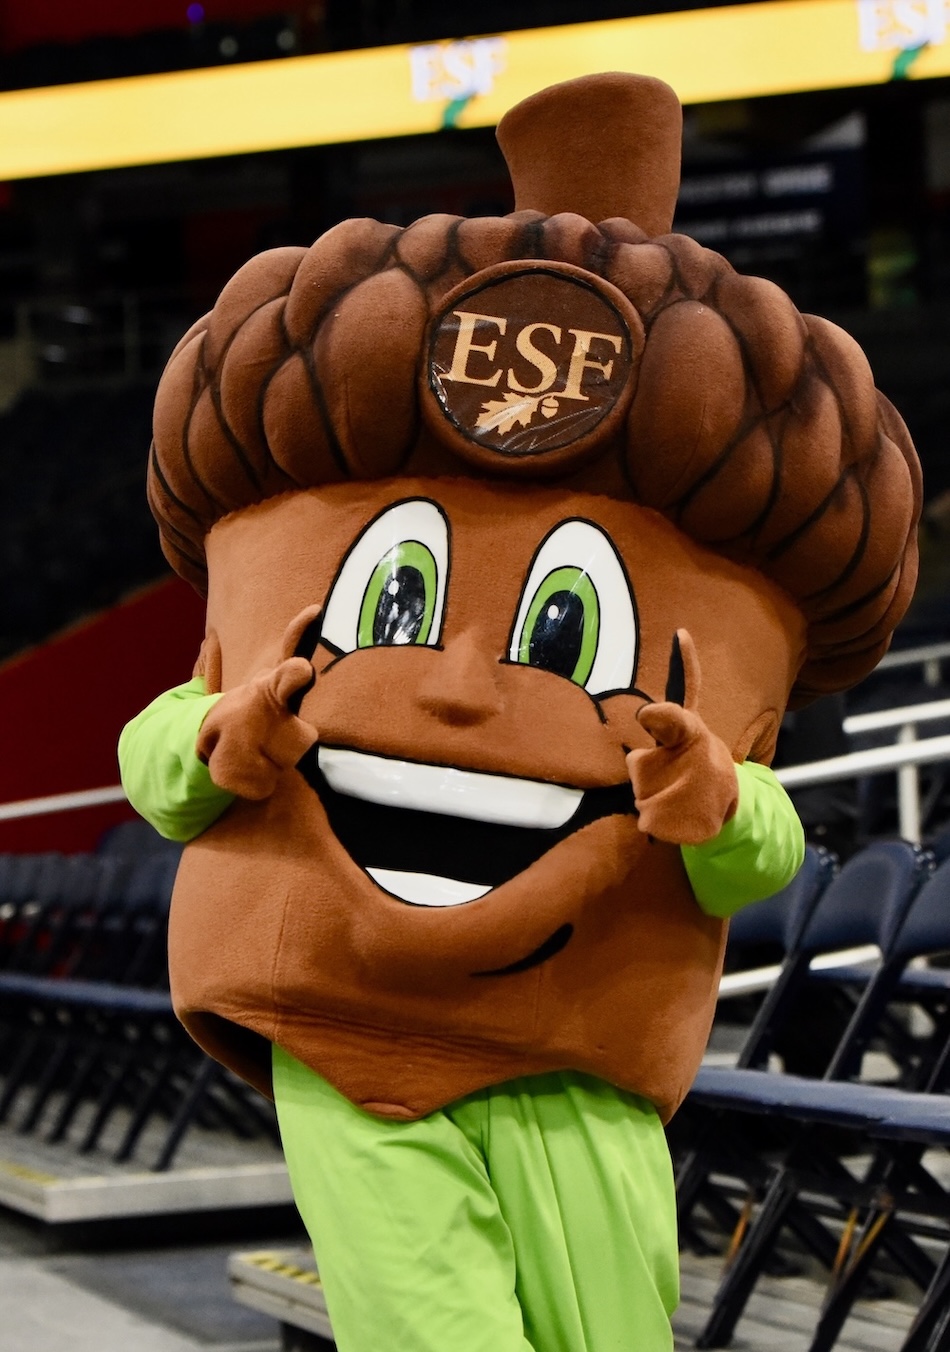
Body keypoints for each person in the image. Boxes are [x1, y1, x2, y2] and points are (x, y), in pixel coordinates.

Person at [118, 73, 921, 1351]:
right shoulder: (256, 665)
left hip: (585, 1064)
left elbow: (756, 847)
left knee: (603, 1330)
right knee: (435, 1327)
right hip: (350, 1046)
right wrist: (219, 738)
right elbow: (158, 754)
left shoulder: (718, 750)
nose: (454, 685)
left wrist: (709, 796)